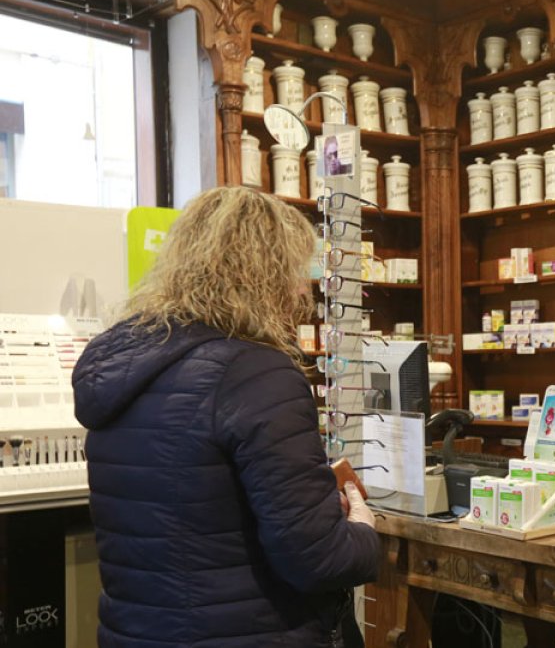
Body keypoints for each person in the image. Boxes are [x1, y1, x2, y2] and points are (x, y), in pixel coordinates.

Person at [72, 187, 379, 647]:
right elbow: (318, 559)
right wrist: (362, 529)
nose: (303, 290)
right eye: (296, 272)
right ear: (262, 274)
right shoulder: (256, 373)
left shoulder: (120, 372)